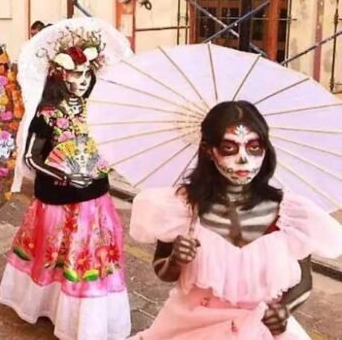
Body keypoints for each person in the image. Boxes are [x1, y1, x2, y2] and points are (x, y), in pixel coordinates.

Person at [129, 101, 342, 339]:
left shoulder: (291, 215)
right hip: (192, 326)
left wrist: (284, 310)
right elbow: (163, 271)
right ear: (209, 150)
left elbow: (304, 281)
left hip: (260, 329)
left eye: (253, 147)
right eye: (230, 148)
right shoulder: (183, 208)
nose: (243, 159)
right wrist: (176, 260)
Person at [0, 33, 131, 339]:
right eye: (75, 74)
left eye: (86, 74)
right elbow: (31, 158)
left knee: (89, 259)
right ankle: (53, 307)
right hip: (58, 199)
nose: (82, 81)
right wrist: (66, 175)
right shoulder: (47, 114)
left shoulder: (98, 111)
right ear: (60, 75)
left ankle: (86, 320)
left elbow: (107, 148)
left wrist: (105, 163)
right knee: (55, 255)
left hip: (95, 199)